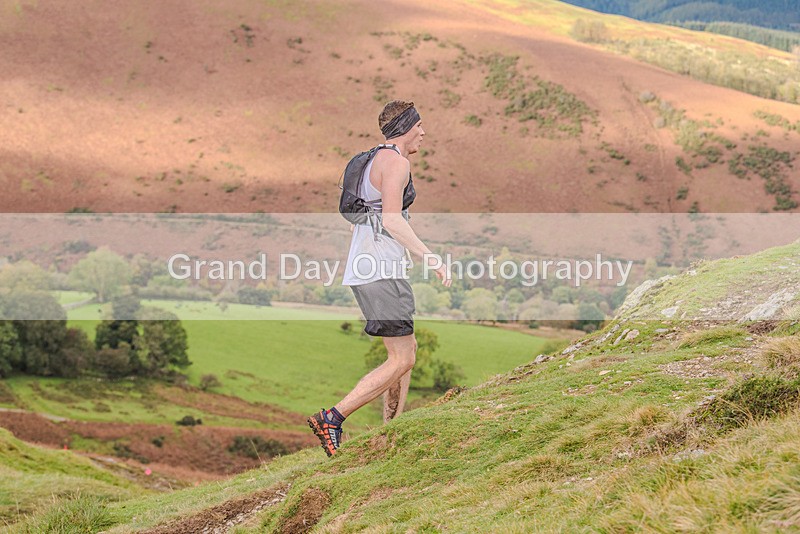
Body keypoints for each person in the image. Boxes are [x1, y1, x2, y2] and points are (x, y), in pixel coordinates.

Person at [307, 100, 451, 457]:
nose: (424, 132)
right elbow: (391, 219)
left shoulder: (372, 159)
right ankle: (333, 417)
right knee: (402, 359)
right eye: (420, 125)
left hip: (368, 267)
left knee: (406, 351)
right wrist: (430, 256)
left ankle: (392, 429)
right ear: (406, 126)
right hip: (380, 269)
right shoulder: (397, 163)